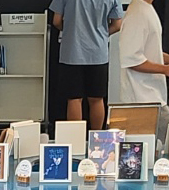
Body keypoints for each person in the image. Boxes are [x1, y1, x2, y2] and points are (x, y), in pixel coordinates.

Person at [118, 0, 169, 141]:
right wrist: (166, 69)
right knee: (165, 143)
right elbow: (131, 59)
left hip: (151, 97)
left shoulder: (146, 9)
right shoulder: (137, 13)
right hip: (142, 100)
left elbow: (150, 51)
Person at [50, 0, 124, 130]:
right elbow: (117, 24)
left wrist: (69, 31)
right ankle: (96, 137)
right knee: (97, 99)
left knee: (74, 99)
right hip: (98, 54)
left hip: (72, 52)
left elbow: (56, 21)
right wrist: (102, 34)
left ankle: (76, 138)